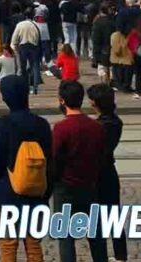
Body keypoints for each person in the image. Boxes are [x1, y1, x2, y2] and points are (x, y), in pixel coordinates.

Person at [0, 75, 51, 262]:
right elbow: (50, 161)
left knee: (8, 246)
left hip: (7, 192)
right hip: (37, 193)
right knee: (33, 245)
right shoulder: (42, 125)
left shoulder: (0, 125)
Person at [51, 80, 107, 262]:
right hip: (90, 185)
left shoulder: (61, 128)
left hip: (65, 187)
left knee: (66, 237)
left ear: (62, 100)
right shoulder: (97, 127)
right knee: (96, 235)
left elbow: (53, 159)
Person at [87, 83, 127, 262]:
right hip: (110, 172)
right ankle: (120, 255)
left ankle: (101, 256)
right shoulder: (116, 122)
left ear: (95, 103)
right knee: (114, 216)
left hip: (96, 174)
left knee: (97, 219)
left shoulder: (97, 126)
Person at [11, 11, 41, 94]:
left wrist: (14, 47)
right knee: (34, 67)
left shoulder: (20, 25)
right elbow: (38, 37)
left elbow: (15, 38)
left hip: (23, 46)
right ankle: (35, 86)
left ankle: (25, 86)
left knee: (23, 68)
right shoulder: (35, 25)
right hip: (34, 46)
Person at [110, 29, 133, 93]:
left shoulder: (115, 35)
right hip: (127, 58)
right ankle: (126, 86)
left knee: (118, 74)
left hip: (117, 59)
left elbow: (116, 49)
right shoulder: (131, 34)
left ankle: (120, 85)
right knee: (127, 74)